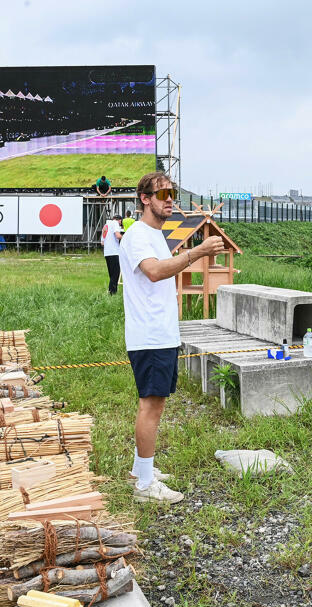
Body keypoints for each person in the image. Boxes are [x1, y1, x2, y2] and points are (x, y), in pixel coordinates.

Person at [118, 172, 225, 504]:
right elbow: (155, 271)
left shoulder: (154, 234)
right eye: (162, 193)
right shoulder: (138, 236)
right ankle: (145, 486)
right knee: (151, 405)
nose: (169, 199)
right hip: (149, 335)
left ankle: (141, 470)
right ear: (145, 199)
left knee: (157, 403)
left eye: (172, 193)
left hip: (159, 332)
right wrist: (198, 252)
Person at [101, 216, 124, 294]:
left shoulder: (105, 226)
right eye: (120, 222)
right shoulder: (115, 223)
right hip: (114, 252)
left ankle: (111, 291)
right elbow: (117, 235)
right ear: (119, 220)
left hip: (107, 252)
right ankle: (112, 292)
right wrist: (125, 237)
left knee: (112, 274)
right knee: (116, 274)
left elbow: (102, 242)